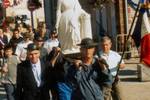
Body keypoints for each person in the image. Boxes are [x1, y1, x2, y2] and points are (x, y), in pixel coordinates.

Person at [97, 36, 125, 100]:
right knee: (106, 98)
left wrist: (121, 65)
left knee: (120, 97)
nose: (105, 47)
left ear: (110, 45)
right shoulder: (98, 56)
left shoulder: (115, 55)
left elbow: (123, 64)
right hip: (104, 81)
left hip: (115, 79)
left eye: (106, 45)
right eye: (103, 45)